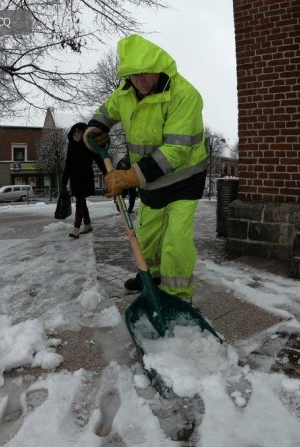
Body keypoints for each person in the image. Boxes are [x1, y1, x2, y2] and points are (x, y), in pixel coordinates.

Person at [84, 34, 207, 302]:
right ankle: (149, 278)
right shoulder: (126, 92)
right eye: (132, 75)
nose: (139, 81)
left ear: (157, 67)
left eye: (144, 73)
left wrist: (129, 176)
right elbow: (106, 110)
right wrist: (95, 129)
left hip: (185, 179)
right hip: (150, 180)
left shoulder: (184, 96)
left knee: (176, 241)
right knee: (148, 236)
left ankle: (176, 294)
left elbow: (177, 150)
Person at [62, 122, 105, 239]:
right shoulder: (71, 145)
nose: (76, 134)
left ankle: (76, 228)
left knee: (80, 202)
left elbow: (98, 158)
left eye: (79, 132)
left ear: (84, 133)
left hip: (85, 178)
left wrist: (107, 173)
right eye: (75, 132)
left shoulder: (89, 144)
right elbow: (68, 164)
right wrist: (63, 181)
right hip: (75, 179)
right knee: (81, 202)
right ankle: (87, 224)